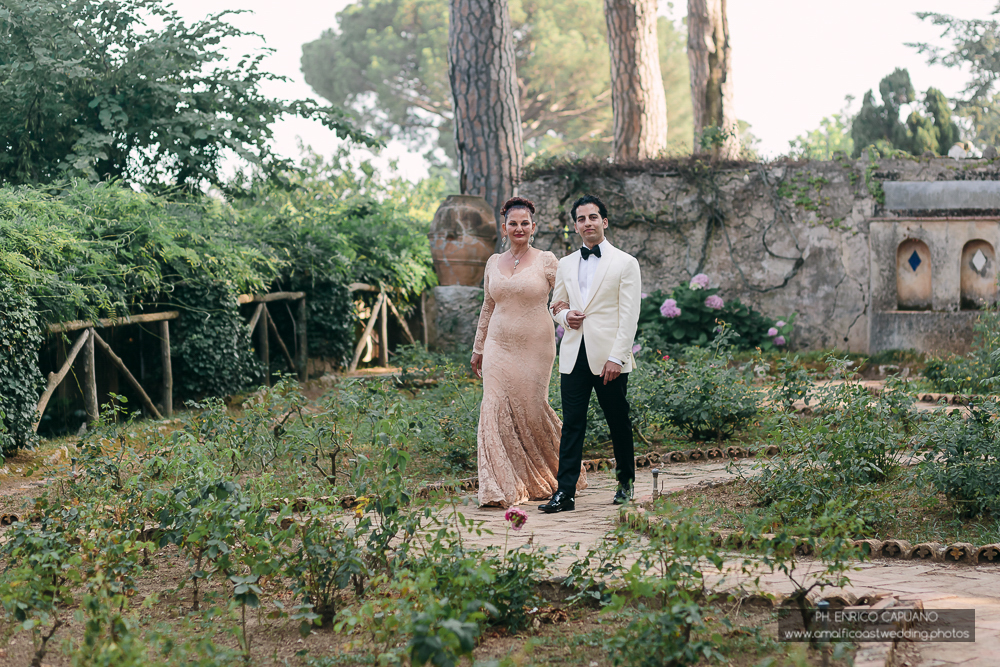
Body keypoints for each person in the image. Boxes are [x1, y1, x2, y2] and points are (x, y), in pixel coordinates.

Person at [470, 197, 587, 508]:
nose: (519, 228)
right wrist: (478, 347)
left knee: (532, 410)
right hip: (497, 344)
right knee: (493, 407)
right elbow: (487, 305)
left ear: (533, 227)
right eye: (513, 223)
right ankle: (500, 487)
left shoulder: (547, 261)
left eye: (525, 223)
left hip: (536, 346)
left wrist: (571, 315)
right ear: (504, 227)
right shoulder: (493, 262)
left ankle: (556, 475)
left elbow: (565, 296)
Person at [538, 194, 641, 513]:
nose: (587, 223)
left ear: (604, 221)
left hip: (609, 357)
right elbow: (556, 304)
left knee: (618, 422)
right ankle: (565, 493)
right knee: (572, 425)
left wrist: (617, 357)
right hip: (573, 355)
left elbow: (630, 314)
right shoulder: (566, 264)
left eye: (593, 217)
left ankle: (625, 484)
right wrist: (564, 317)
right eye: (581, 219)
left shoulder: (626, 262)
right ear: (575, 226)